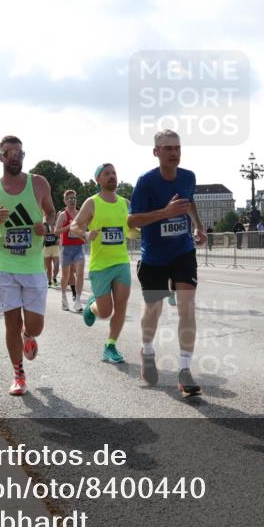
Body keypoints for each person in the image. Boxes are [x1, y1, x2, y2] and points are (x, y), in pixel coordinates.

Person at [128, 129, 207, 397]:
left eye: (177, 147)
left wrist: (198, 226)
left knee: (187, 308)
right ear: (156, 152)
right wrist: (164, 213)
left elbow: (190, 202)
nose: (174, 153)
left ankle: (184, 370)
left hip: (183, 251)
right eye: (168, 148)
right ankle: (147, 350)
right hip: (154, 256)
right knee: (154, 310)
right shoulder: (146, 182)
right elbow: (131, 221)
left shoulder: (188, 177)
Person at [0, 136, 56, 396]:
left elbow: (51, 214)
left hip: (33, 267)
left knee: (35, 326)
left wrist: (46, 227)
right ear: (0, 157)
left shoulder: (39, 184)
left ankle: (29, 336)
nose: (15, 156)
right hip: (5, 266)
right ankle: (18, 375)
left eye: (19, 153)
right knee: (11, 324)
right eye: (9, 152)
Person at [70, 163, 134, 364]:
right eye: (107, 174)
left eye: (114, 172)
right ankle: (92, 307)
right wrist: (86, 233)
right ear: (98, 179)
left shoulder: (125, 203)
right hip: (100, 266)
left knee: (122, 305)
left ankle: (111, 345)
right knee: (106, 312)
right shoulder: (92, 202)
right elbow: (74, 226)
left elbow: (131, 229)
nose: (112, 176)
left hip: (121, 262)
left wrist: (141, 232)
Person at [54, 190, 86, 311]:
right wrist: (69, 227)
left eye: (74, 198)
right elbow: (56, 231)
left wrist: (84, 233)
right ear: (65, 201)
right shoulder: (63, 215)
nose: (72, 201)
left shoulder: (80, 213)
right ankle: (63, 298)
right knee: (66, 275)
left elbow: (84, 228)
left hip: (79, 247)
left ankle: (77, 300)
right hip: (66, 248)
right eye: (70, 199)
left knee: (80, 273)